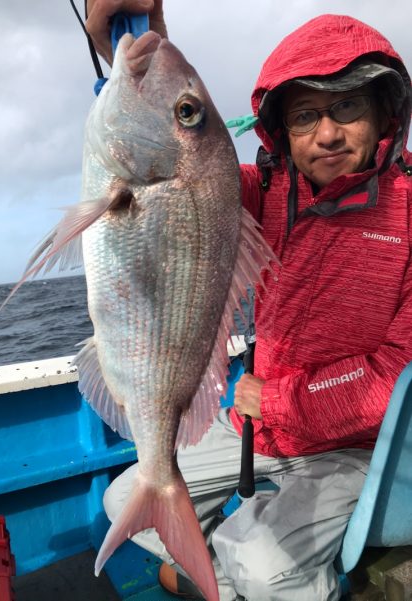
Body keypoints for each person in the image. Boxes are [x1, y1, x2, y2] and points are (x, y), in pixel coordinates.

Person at [86, 4, 412, 600]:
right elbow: (184, 159)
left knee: (259, 563)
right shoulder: (263, 192)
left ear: (385, 112)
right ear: (282, 131)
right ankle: (220, 569)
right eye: (306, 114)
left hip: (350, 447)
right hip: (254, 430)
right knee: (119, 499)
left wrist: (284, 399)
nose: (328, 132)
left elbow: (394, 378)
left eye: (347, 106)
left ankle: (228, 573)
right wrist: (139, 50)